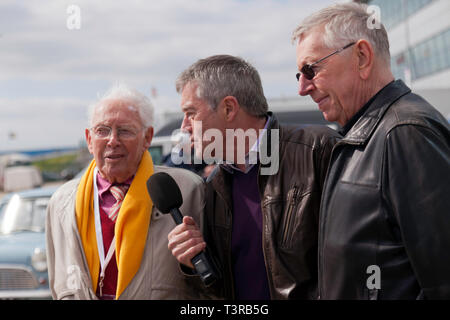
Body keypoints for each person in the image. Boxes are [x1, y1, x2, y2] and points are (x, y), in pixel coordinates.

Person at [293, 2, 450, 299]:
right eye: (298, 75)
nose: (303, 87)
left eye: (310, 69)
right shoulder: (365, 132)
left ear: (362, 57)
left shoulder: (405, 132)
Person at [168, 54, 340, 299]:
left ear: (229, 108)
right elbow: (222, 290)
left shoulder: (319, 150)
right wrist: (193, 263)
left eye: (191, 113)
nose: (184, 126)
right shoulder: (214, 185)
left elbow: (355, 262)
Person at [46, 83, 211, 300]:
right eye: (102, 131)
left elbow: (215, 286)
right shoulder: (61, 203)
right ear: (89, 139)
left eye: (124, 131)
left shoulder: (188, 191)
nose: (112, 141)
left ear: (147, 137)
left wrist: (191, 266)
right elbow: (57, 284)